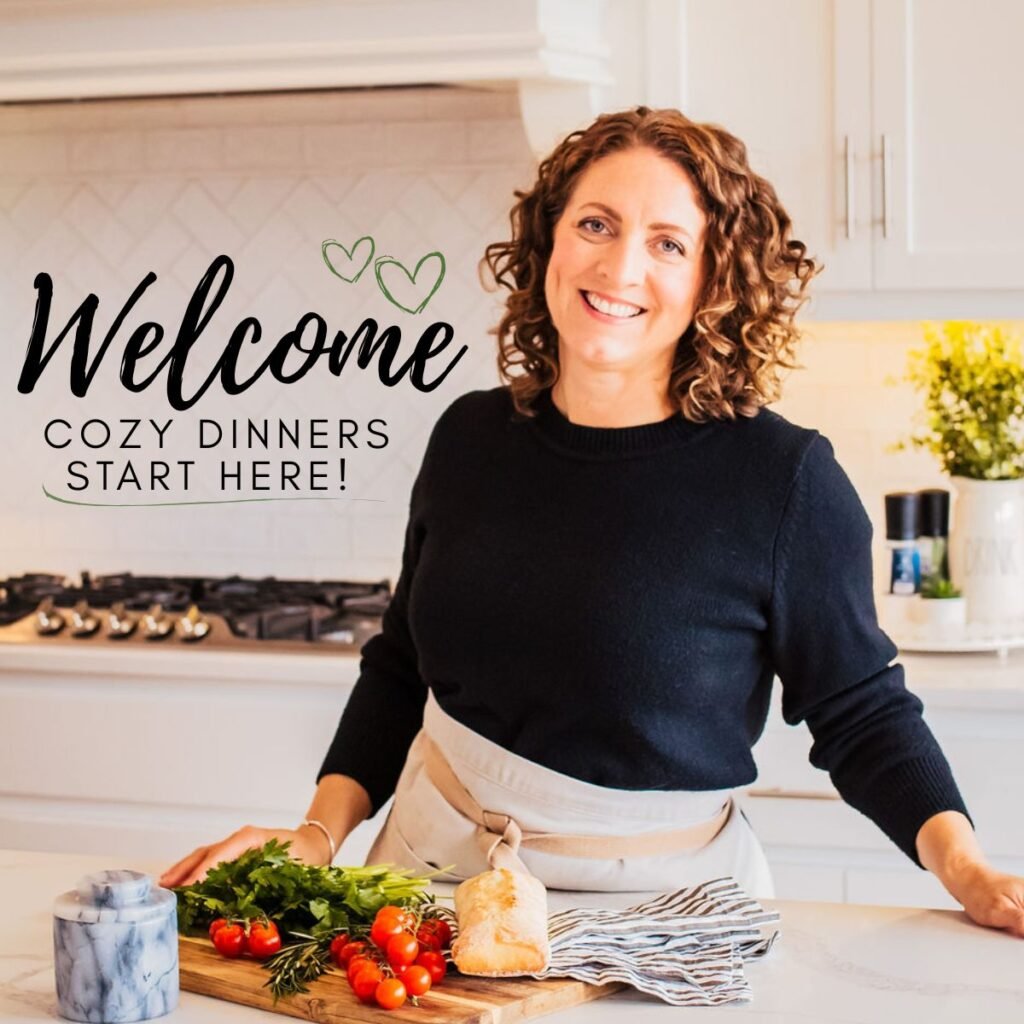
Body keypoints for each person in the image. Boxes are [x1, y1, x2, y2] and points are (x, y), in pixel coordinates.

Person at [161, 106, 1024, 937]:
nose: (618, 270)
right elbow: (400, 667)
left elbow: (861, 711)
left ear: (712, 282)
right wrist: (315, 838)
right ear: (549, 242)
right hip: (426, 891)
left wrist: (970, 873)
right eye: (596, 225)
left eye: (668, 244)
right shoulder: (469, 438)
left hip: (659, 919)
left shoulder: (784, 482)